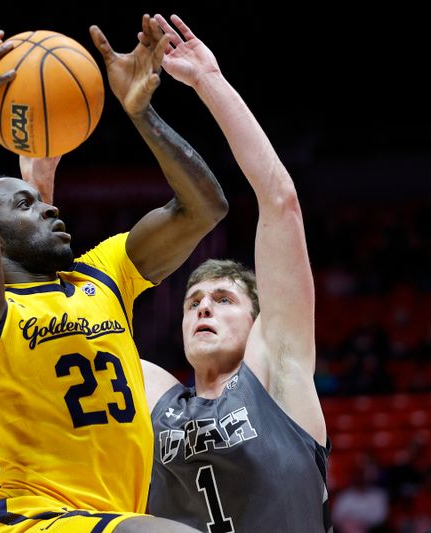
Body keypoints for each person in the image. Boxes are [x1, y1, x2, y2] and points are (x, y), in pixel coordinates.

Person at [0, 14, 228, 533]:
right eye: (25, 205)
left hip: (113, 516)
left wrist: (141, 113)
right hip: (33, 521)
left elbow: (204, 208)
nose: (49, 208)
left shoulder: (104, 275)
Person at [141, 14, 331, 533]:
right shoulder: (158, 397)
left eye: (224, 299)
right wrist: (38, 175)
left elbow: (279, 202)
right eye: (193, 301)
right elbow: (65, 329)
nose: (202, 306)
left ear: (258, 324)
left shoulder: (279, 376)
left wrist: (208, 81)